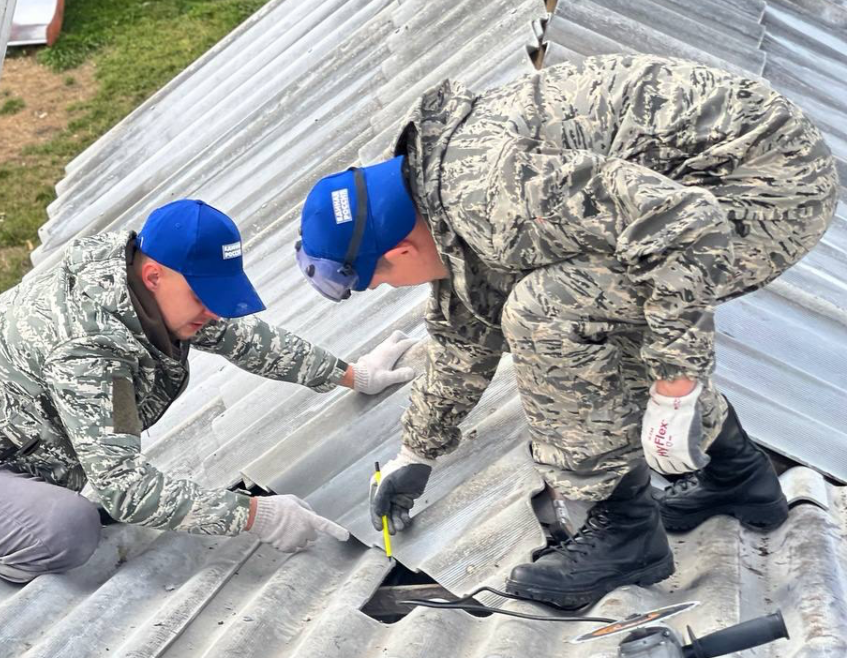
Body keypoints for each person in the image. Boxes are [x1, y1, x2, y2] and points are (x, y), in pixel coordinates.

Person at [295, 54, 838, 608]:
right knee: (596, 297)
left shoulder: (490, 195)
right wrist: (418, 451)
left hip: (770, 185)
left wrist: (679, 385)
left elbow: (684, 227)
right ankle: (739, 475)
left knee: (546, 309)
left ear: (400, 249)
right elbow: (464, 328)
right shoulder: (435, 189)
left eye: (379, 279)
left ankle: (625, 533)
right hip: (722, 175)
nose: (390, 289)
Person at [0, 199, 417, 582]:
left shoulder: (143, 284)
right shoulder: (89, 345)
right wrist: (257, 516)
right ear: (156, 275)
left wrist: (351, 373)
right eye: (205, 296)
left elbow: (244, 338)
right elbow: (125, 489)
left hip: (17, 457)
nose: (212, 311)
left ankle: (18, 505)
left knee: (88, 513)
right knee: (70, 532)